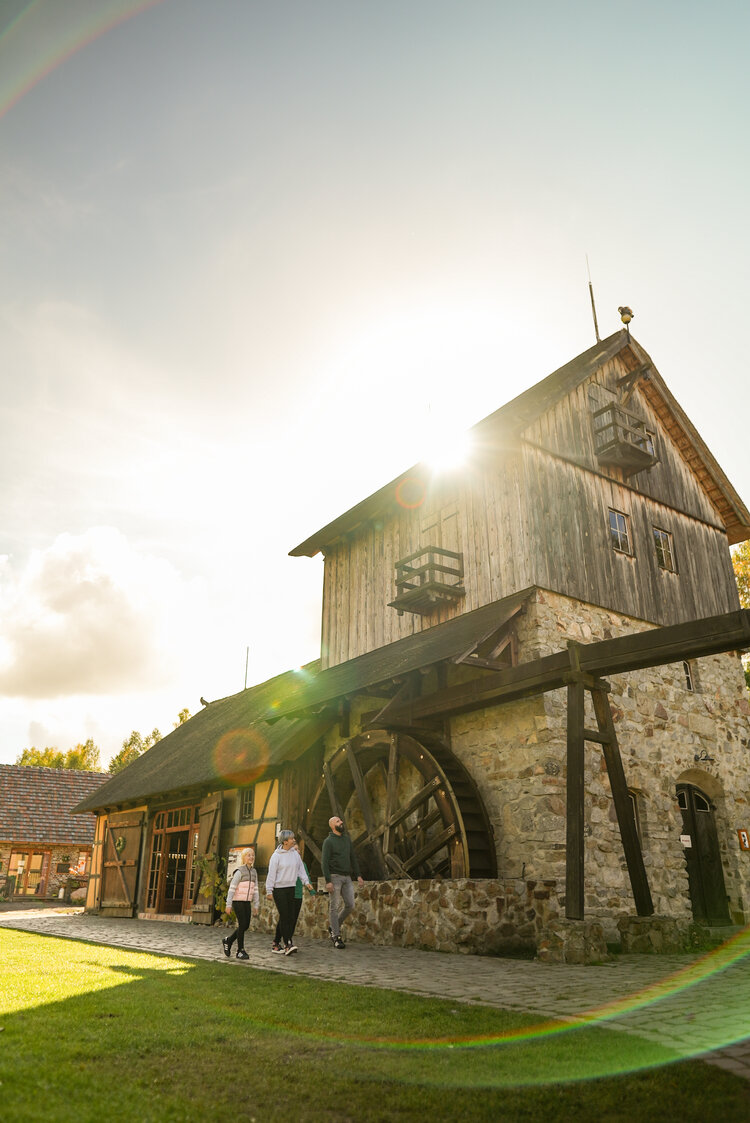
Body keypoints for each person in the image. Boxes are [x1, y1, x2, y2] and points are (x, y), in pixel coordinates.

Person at [265, 830, 313, 955]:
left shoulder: (295, 855)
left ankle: (276, 943)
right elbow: (271, 875)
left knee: (288, 916)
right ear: (285, 842)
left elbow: (300, 870)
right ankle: (288, 944)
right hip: (279, 890)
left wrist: (306, 882)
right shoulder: (276, 856)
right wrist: (269, 890)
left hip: (290, 888)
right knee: (285, 916)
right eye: (291, 838)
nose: (294, 840)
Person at [321, 815, 363, 949]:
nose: (341, 822)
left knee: (350, 905)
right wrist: (328, 881)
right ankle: (336, 937)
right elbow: (324, 863)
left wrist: (359, 875)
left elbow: (353, 858)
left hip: (347, 877)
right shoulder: (328, 842)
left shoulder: (346, 839)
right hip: (334, 877)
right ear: (333, 825)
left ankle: (334, 927)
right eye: (338, 821)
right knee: (334, 906)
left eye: (341, 820)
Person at [223, 847, 260, 961]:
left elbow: (256, 889)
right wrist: (228, 904)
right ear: (244, 858)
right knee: (243, 924)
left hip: (247, 902)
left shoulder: (254, 872)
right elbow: (232, 889)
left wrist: (256, 905)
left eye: (252, 855)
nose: (251, 857)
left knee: (245, 925)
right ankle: (240, 950)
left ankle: (228, 941)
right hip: (237, 901)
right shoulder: (239, 872)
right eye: (248, 855)